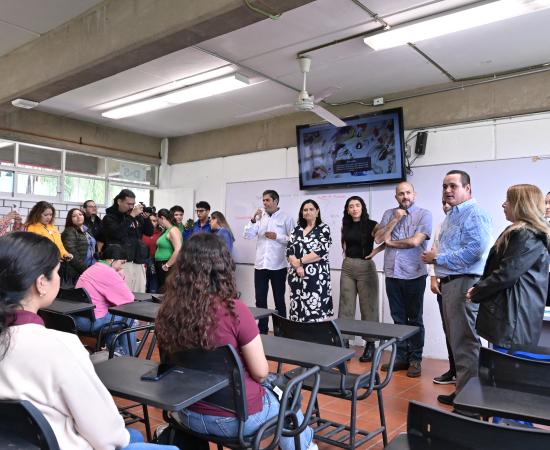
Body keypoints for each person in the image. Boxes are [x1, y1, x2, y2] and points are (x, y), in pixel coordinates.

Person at [0, 232, 177, 450]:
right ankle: (125, 353)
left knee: (133, 436)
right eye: (56, 272)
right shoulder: (60, 346)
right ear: (41, 283)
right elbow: (108, 436)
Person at [155, 233, 317, 450]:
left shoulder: (167, 310)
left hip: (185, 414)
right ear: (222, 266)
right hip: (235, 420)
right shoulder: (234, 310)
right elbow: (260, 372)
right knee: (288, 397)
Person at [421, 170, 491, 406]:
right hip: (450, 283)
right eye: (444, 186)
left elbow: (475, 251)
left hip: (464, 282)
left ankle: (470, 403)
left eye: (453, 186)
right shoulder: (452, 215)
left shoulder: (475, 213)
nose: (448, 191)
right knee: (457, 343)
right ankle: (463, 391)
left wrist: (437, 258)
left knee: (465, 343)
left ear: (468, 189)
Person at [468, 184, 550, 349]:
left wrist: (477, 291)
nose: (503, 204)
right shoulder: (522, 232)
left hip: (513, 319)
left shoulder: (527, 235)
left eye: (508, 200)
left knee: (507, 368)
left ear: (521, 205)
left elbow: (506, 274)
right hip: (511, 316)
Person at [374, 182, 432, 378]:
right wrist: (393, 221)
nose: (405, 196)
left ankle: (416, 359)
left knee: (414, 318)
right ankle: (401, 357)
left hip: (414, 274)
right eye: (401, 194)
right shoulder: (389, 213)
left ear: (414, 195)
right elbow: (379, 239)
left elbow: (415, 242)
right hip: (392, 273)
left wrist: (391, 242)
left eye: (408, 193)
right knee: (398, 318)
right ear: (396, 197)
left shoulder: (424, 214)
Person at [244, 190, 295, 333]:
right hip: (260, 265)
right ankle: (262, 330)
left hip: (278, 266)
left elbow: (294, 240)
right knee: (260, 300)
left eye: (267, 200)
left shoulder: (286, 218)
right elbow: (247, 235)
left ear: (276, 201)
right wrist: (253, 219)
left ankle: (281, 331)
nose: (264, 203)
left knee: (279, 300)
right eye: (263, 200)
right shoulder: (261, 218)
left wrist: (277, 236)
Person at [338, 196, 379, 362]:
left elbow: (383, 239)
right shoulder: (345, 225)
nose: (354, 209)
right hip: (347, 266)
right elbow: (346, 246)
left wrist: (377, 251)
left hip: (366, 267)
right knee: (345, 305)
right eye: (351, 206)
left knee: (368, 306)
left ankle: (370, 345)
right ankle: (345, 343)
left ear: (362, 207)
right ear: (347, 210)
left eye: (357, 205)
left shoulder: (372, 224)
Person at [75, 244, 136, 355]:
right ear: (112, 260)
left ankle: (116, 350)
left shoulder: (93, 268)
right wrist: (120, 276)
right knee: (131, 318)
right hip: (93, 321)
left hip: (79, 319)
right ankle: (129, 356)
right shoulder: (107, 271)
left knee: (114, 320)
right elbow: (129, 298)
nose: (122, 267)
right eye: (122, 263)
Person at [287, 199, 333, 322]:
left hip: (316, 277)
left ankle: (313, 339)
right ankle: (298, 338)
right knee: (297, 311)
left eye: (311, 209)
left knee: (314, 312)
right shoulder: (296, 230)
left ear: (317, 211)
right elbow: (289, 251)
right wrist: (297, 266)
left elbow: (321, 252)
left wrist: (300, 261)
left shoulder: (323, 228)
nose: (308, 212)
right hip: (297, 275)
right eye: (305, 210)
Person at [102, 189, 153, 292]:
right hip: (121, 261)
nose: (131, 207)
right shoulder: (109, 218)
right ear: (119, 201)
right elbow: (117, 234)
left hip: (138, 260)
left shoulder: (136, 217)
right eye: (128, 204)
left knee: (140, 293)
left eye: (133, 204)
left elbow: (149, 232)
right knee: (123, 293)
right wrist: (131, 216)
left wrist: (146, 218)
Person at [428, 199, 456, 385]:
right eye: (443, 203)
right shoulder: (440, 226)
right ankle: (453, 369)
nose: (446, 206)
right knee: (448, 329)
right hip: (443, 283)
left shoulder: (470, 222)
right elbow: (433, 252)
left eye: (449, 203)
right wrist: (432, 277)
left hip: (461, 283)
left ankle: (465, 374)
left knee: (461, 332)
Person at [61, 208, 97, 288]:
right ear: (70, 219)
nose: (78, 217)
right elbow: (72, 253)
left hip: (89, 268)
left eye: (80, 214)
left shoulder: (86, 230)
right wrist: (86, 270)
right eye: (74, 216)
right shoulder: (70, 231)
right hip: (76, 271)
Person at [154, 209, 183, 290]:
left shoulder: (173, 230)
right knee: (162, 290)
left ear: (162, 218)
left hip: (167, 265)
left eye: (157, 219)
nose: (157, 222)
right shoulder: (166, 230)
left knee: (166, 291)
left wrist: (167, 265)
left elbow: (178, 249)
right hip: (162, 264)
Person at [142, 212, 162, 293]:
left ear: (158, 222)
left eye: (155, 221)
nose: (152, 223)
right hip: (142, 260)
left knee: (153, 280)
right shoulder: (142, 232)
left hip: (154, 261)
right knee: (143, 281)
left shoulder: (161, 233)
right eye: (150, 220)